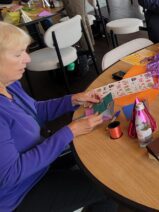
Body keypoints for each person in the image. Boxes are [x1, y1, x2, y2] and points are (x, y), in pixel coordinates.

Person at [0, 22, 117, 211]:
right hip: (19, 194)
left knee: (101, 163)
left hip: (39, 165)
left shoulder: (8, 84)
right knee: (108, 186)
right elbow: (10, 175)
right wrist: (69, 131)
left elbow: (34, 110)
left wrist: (72, 100)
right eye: (18, 54)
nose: (27, 59)